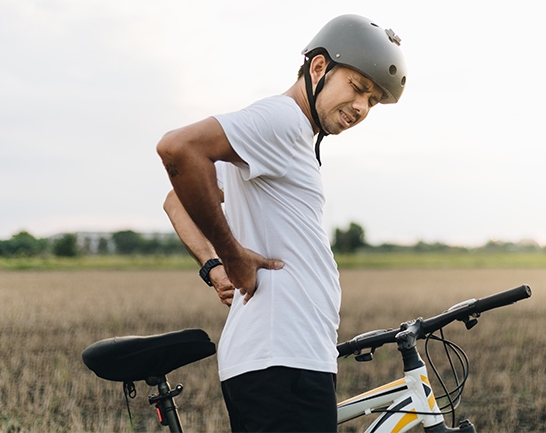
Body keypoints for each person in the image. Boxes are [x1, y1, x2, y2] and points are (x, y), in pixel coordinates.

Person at [155, 14, 407, 432]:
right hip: (281, 362)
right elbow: (177, 149)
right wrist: (231, 258)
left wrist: (212, 267)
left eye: (374, 101)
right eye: (358, 88)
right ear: (319, 67)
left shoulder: (288, 137)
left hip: (287, 359)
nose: (362, 107)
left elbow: (173, 200)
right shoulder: (283, 121)